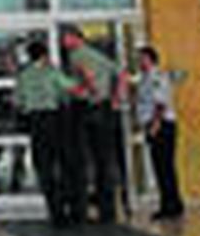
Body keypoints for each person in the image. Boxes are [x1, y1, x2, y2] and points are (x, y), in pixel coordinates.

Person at [60, 24, 126, 224]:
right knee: (104, 160)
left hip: (90, 110)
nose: (63, 43)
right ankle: (108, 211)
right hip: (105, 109)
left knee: (85, 159)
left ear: (74, 38)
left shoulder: (77, 55)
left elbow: (86, 75)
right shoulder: (97, 54)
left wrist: (87, 90)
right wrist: (116, 98)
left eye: (65, 38)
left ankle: (84, 209)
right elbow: (121, 74)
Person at [14, 40, 78, 226]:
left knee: (44, 167)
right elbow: (72, 87)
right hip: (54, 121)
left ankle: (55, 212)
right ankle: (68, 207)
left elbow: (18, 101)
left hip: (35, 123)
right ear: (44, 55)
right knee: (63, 163)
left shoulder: (23, 76)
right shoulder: (51, 72)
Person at [134, 46, 183, 221]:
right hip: (155, 124)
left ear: (149, 59)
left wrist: (155, 124)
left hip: (162, 125)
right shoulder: (145, 78)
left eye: (140, 58)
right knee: (162, 167)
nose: (138, 62)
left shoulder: (156, 77)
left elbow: (160, 103)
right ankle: (171, 204)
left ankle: (171, 206)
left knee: (164, 167)